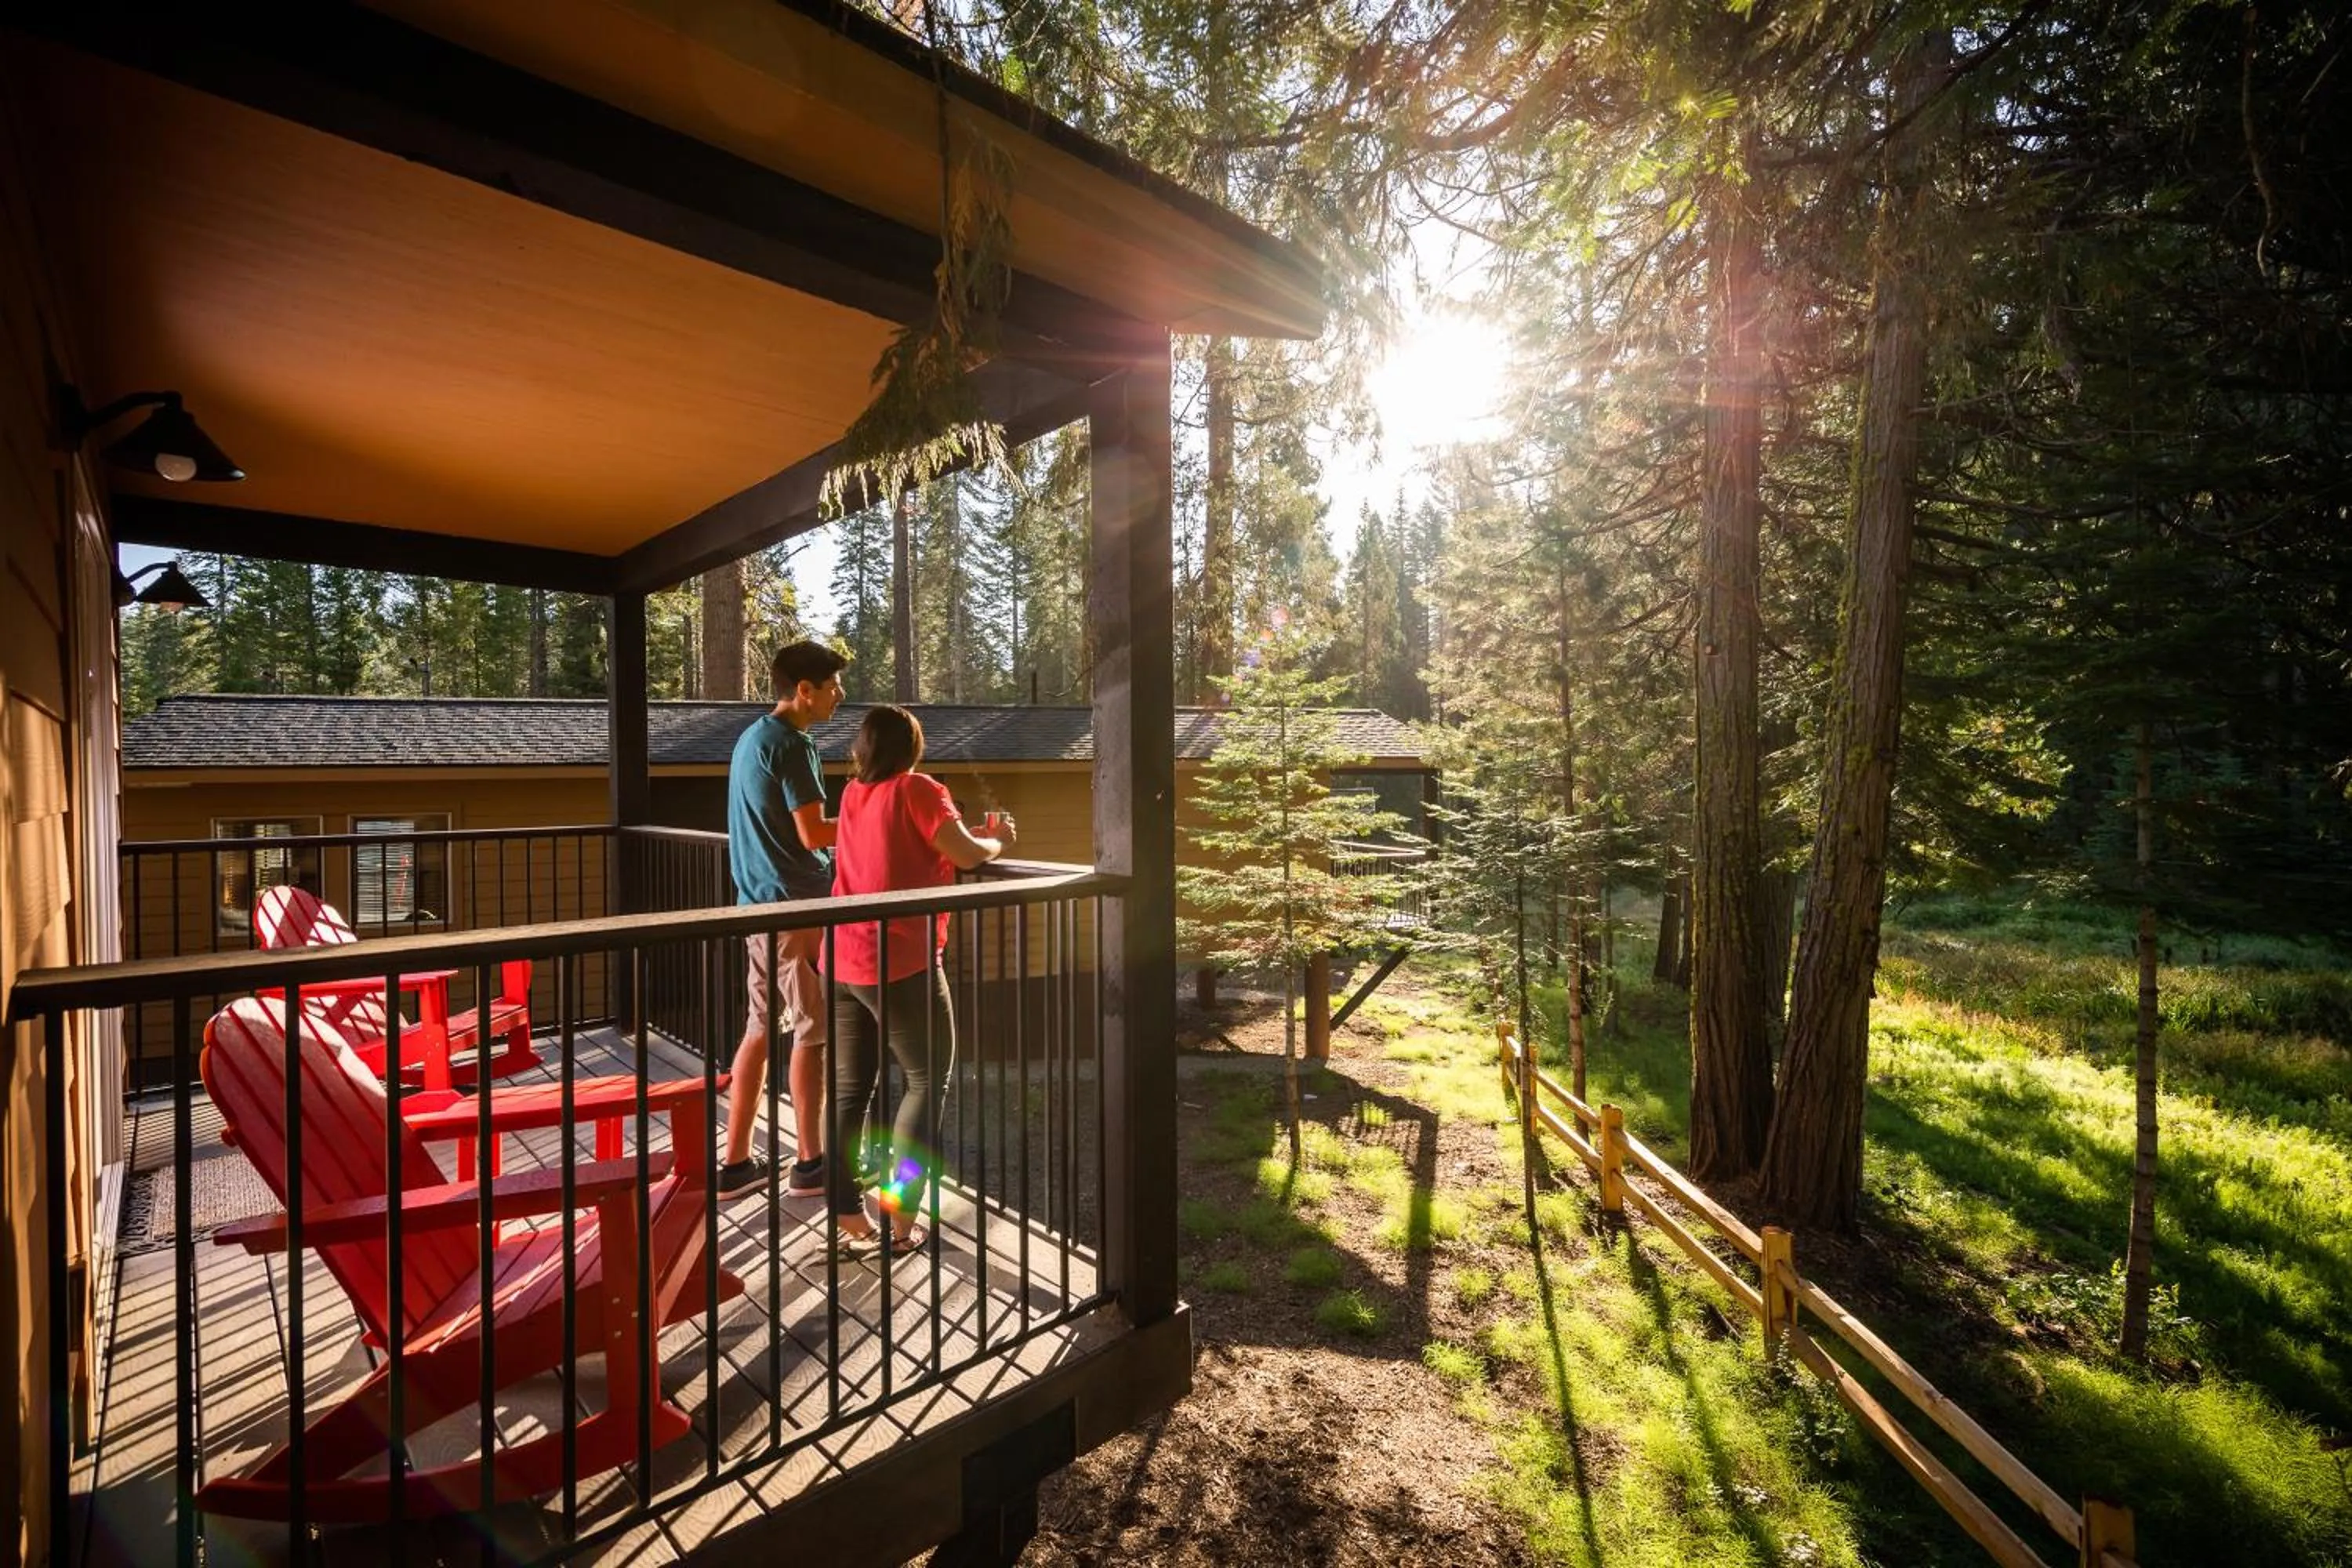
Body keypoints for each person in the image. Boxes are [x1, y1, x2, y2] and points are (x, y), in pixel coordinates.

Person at [825, 705, 1013, 1254]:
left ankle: (844, 1210)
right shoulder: (920, 788)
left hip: (840, 957)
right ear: (912, 746)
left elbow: (914, 845)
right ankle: (900, 1215)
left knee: (851, 1091)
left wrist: (963, 834)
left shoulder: (855, 794)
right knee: (928, 1083)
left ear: (865, 748)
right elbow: (971, 856)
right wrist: (998, 840)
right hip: (899, 961)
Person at [717, 641, 848, 1202]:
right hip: (795, 904)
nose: (839, 696)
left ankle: (737, 1162)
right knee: (812, 1029)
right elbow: (814, 833)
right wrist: (869, 822)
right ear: (805, 691)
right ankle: (811, 1164)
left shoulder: (752, 738)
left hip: (758, 902)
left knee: (761, 1027)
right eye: (833, 686)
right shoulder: (794, 744)